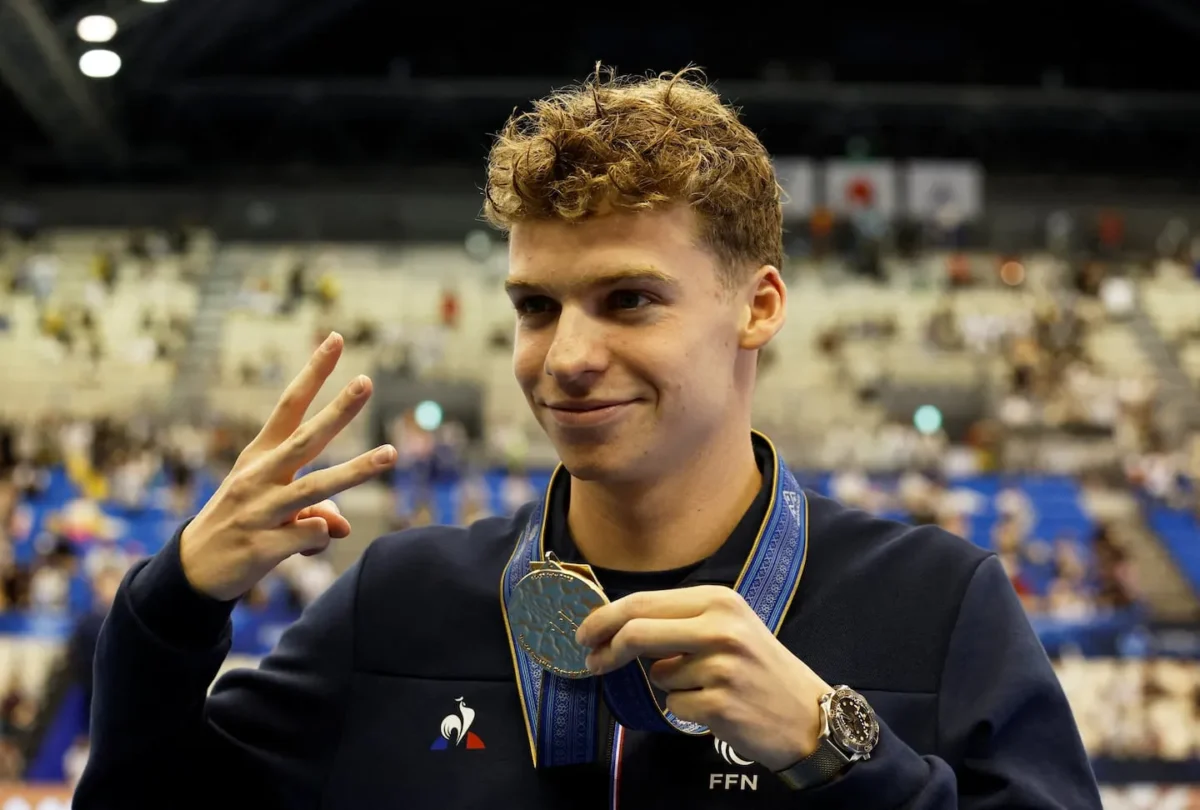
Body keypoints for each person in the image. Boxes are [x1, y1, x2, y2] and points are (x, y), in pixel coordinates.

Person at [75, 66, 1101, 809]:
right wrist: (171, 606)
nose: (563, 356)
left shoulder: (938, 604)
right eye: (534, 307)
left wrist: (832, 748)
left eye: (628, 299)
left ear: (758, 307)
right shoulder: (401, 605)